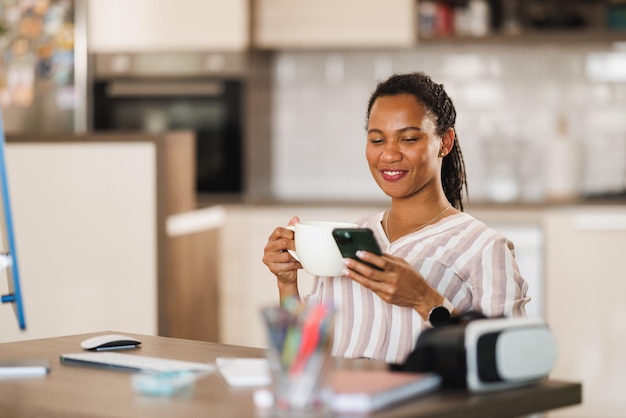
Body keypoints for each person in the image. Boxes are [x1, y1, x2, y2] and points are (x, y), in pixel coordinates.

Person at [262, 72, 530, 364]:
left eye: (409, 138)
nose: (389, 154)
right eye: (377, 139)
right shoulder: (349, 237)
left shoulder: (483, 247)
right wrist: (287, 283)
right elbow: (302, 357)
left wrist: (425, 300)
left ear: (445, 142)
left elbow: (510, 362)